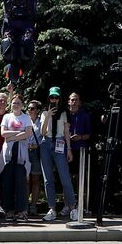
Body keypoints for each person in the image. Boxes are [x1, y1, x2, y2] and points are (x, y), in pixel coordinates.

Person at [39, 88, 77, 222]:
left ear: (60, 99)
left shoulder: (64, 112)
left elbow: (67, 131)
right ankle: (52, 209)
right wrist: (48, 115)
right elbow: (42, 132)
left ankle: (73, 208)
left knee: (65, 177)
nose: (53, 100)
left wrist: (69, 149)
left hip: (60, 142)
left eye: (56, 97)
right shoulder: (44, 112)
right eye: (51, 97)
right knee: (48, 179)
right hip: (46, 144)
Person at [0, 94, 35, 224]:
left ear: (22, 105)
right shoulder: (7, 117)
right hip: (8, 152)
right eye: (14, 103)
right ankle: (9, 210)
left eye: (18, 103)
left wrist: (12, 135)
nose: (16, 105)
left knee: (21, 180)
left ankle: (22, 210)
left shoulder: (26, 118)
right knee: (7, 181)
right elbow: (3, 133)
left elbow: (29, 133)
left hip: (21, 152)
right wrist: (19, 134)